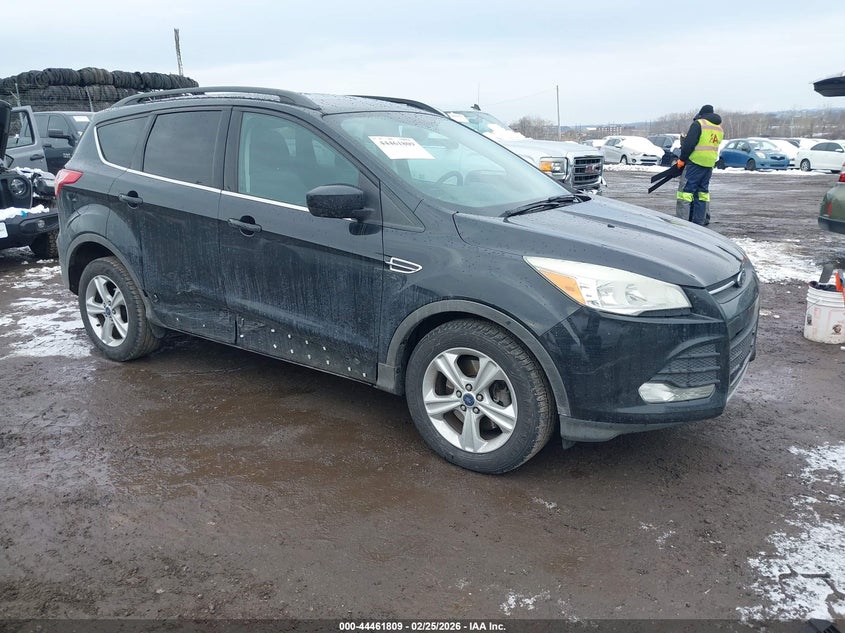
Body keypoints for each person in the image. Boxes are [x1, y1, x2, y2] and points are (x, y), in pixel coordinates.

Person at [676, 105, 723, 225]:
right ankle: (700, 222)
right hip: (709, 164)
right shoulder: (718, 128)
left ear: (701, 114)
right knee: (702, 194)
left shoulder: (699, 124)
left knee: (685, 193)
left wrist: (682, 159)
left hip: (695, 162)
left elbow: (690, 144)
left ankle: (682, 222)